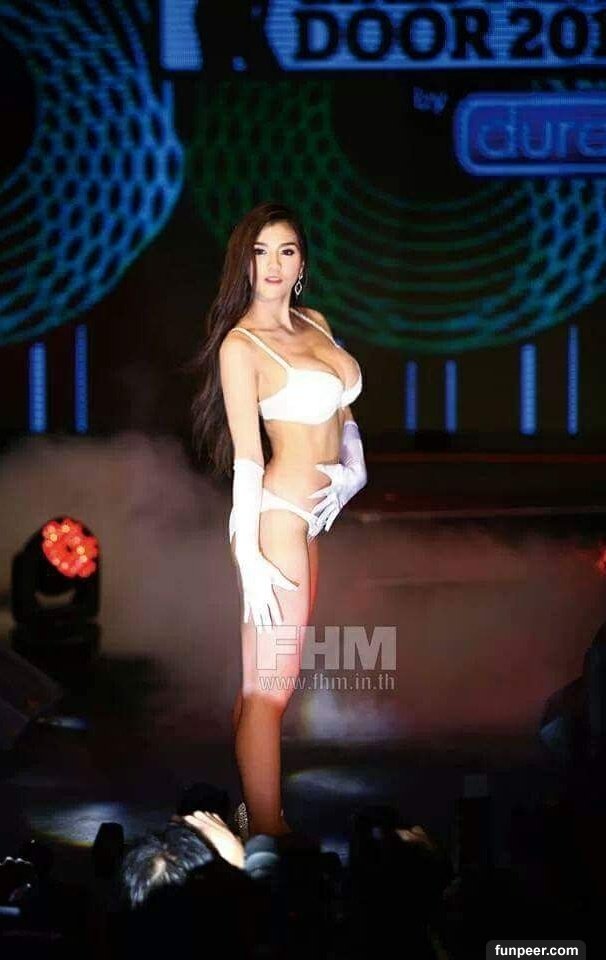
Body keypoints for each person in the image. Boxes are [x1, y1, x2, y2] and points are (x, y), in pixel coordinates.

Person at [191, 201, 367, 837]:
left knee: (266, 686)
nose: (273, 264)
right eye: (260, 251)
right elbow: (246, 458)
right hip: (277, 522)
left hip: (311, 521)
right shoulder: (242, 345)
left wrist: (355, 466)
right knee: (269, 689)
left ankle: (253, 813)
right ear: (243, 263)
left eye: (286, 250)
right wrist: (248, 556)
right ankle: (268, 836)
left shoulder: (315, 322)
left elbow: (343, 408)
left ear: (302, 263)